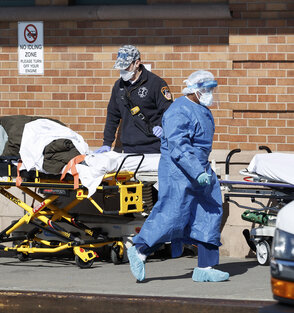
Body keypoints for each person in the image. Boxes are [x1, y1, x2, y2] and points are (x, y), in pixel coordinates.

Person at [127, 70, 229, 283]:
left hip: (200, 169)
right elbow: (179, 146)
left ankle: (206, 267)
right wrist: (196, 171)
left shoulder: (202, 109)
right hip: (179, 171)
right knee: (173, 215)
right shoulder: (178, 111)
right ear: (193, 89)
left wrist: (202, 171)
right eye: (206, 90)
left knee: (210, 212)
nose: (210, 94)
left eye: (211, 89)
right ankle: (140, 250)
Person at [95, 45, 173, 154]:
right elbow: (112, 115)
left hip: (154, 146)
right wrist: (107, 143)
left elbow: (169, 111)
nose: (123, 71)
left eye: (126, 67)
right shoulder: (119, 86)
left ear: (137, 63)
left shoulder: (156, 83)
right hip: (129, 147)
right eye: (121, 68)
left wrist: (161, 127)